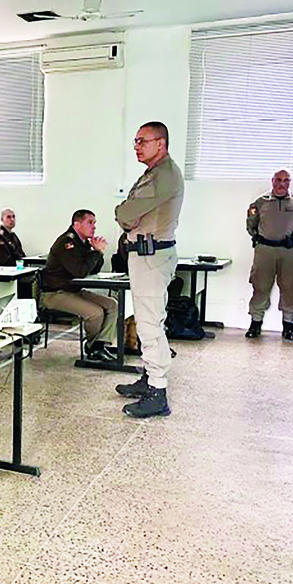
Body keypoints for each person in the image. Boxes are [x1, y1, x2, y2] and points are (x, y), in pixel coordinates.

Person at [114, 121, 185, 418]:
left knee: (149, 325)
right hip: (149, 255)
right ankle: (149, 378)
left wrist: (121, 213)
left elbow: (126, 213)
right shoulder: (155, 173)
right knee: (149, 320)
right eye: (135, 141)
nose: (137, 146)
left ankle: (157, 391)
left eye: (143, 140)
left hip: (150, 256)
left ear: (161, 143)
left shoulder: (163, 175)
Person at [41, 210, 119, 363]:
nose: (94, 227)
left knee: (112, 305)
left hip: (73, 290)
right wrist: (97, 252)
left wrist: (98, 253)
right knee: (95, 313)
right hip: (55, 294)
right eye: (90, 222)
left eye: (94, 223)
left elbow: (93, 269)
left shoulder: (82, 243)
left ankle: (99, 345)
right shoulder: (67, 242)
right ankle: (93, 348)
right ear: (77, 224)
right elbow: (80, 271)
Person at [245, 169, 293, 341]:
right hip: (265, 251)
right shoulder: (260, 203)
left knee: (289, 288)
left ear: (289, 182)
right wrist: (260, 239)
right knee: (260, 287)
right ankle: (255, 324)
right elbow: (251, 225)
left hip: (290, 252)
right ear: (272, 181)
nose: (281, 184)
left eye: (286, 180)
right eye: (278, 180)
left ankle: (288, 326)